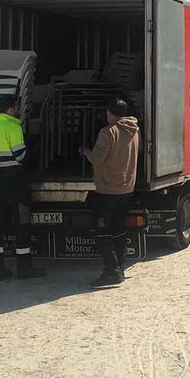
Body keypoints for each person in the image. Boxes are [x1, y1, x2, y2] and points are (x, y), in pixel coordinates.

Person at [0, 94, 45, 281]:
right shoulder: (13, 127)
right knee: (22, 224)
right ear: (10, 109)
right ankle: (24, 268)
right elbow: (20, 156)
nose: (18, 110)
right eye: (16, 107)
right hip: (15, 182)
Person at [81, 97, 140, 288]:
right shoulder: (134, 130)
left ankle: (111, 271)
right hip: (126, 188)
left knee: (101, 231)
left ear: (110, 113)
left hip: (107, 189)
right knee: (118, 230)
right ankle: (120, 267)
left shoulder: (108, 133)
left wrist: (86, 152)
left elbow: (97, 159)